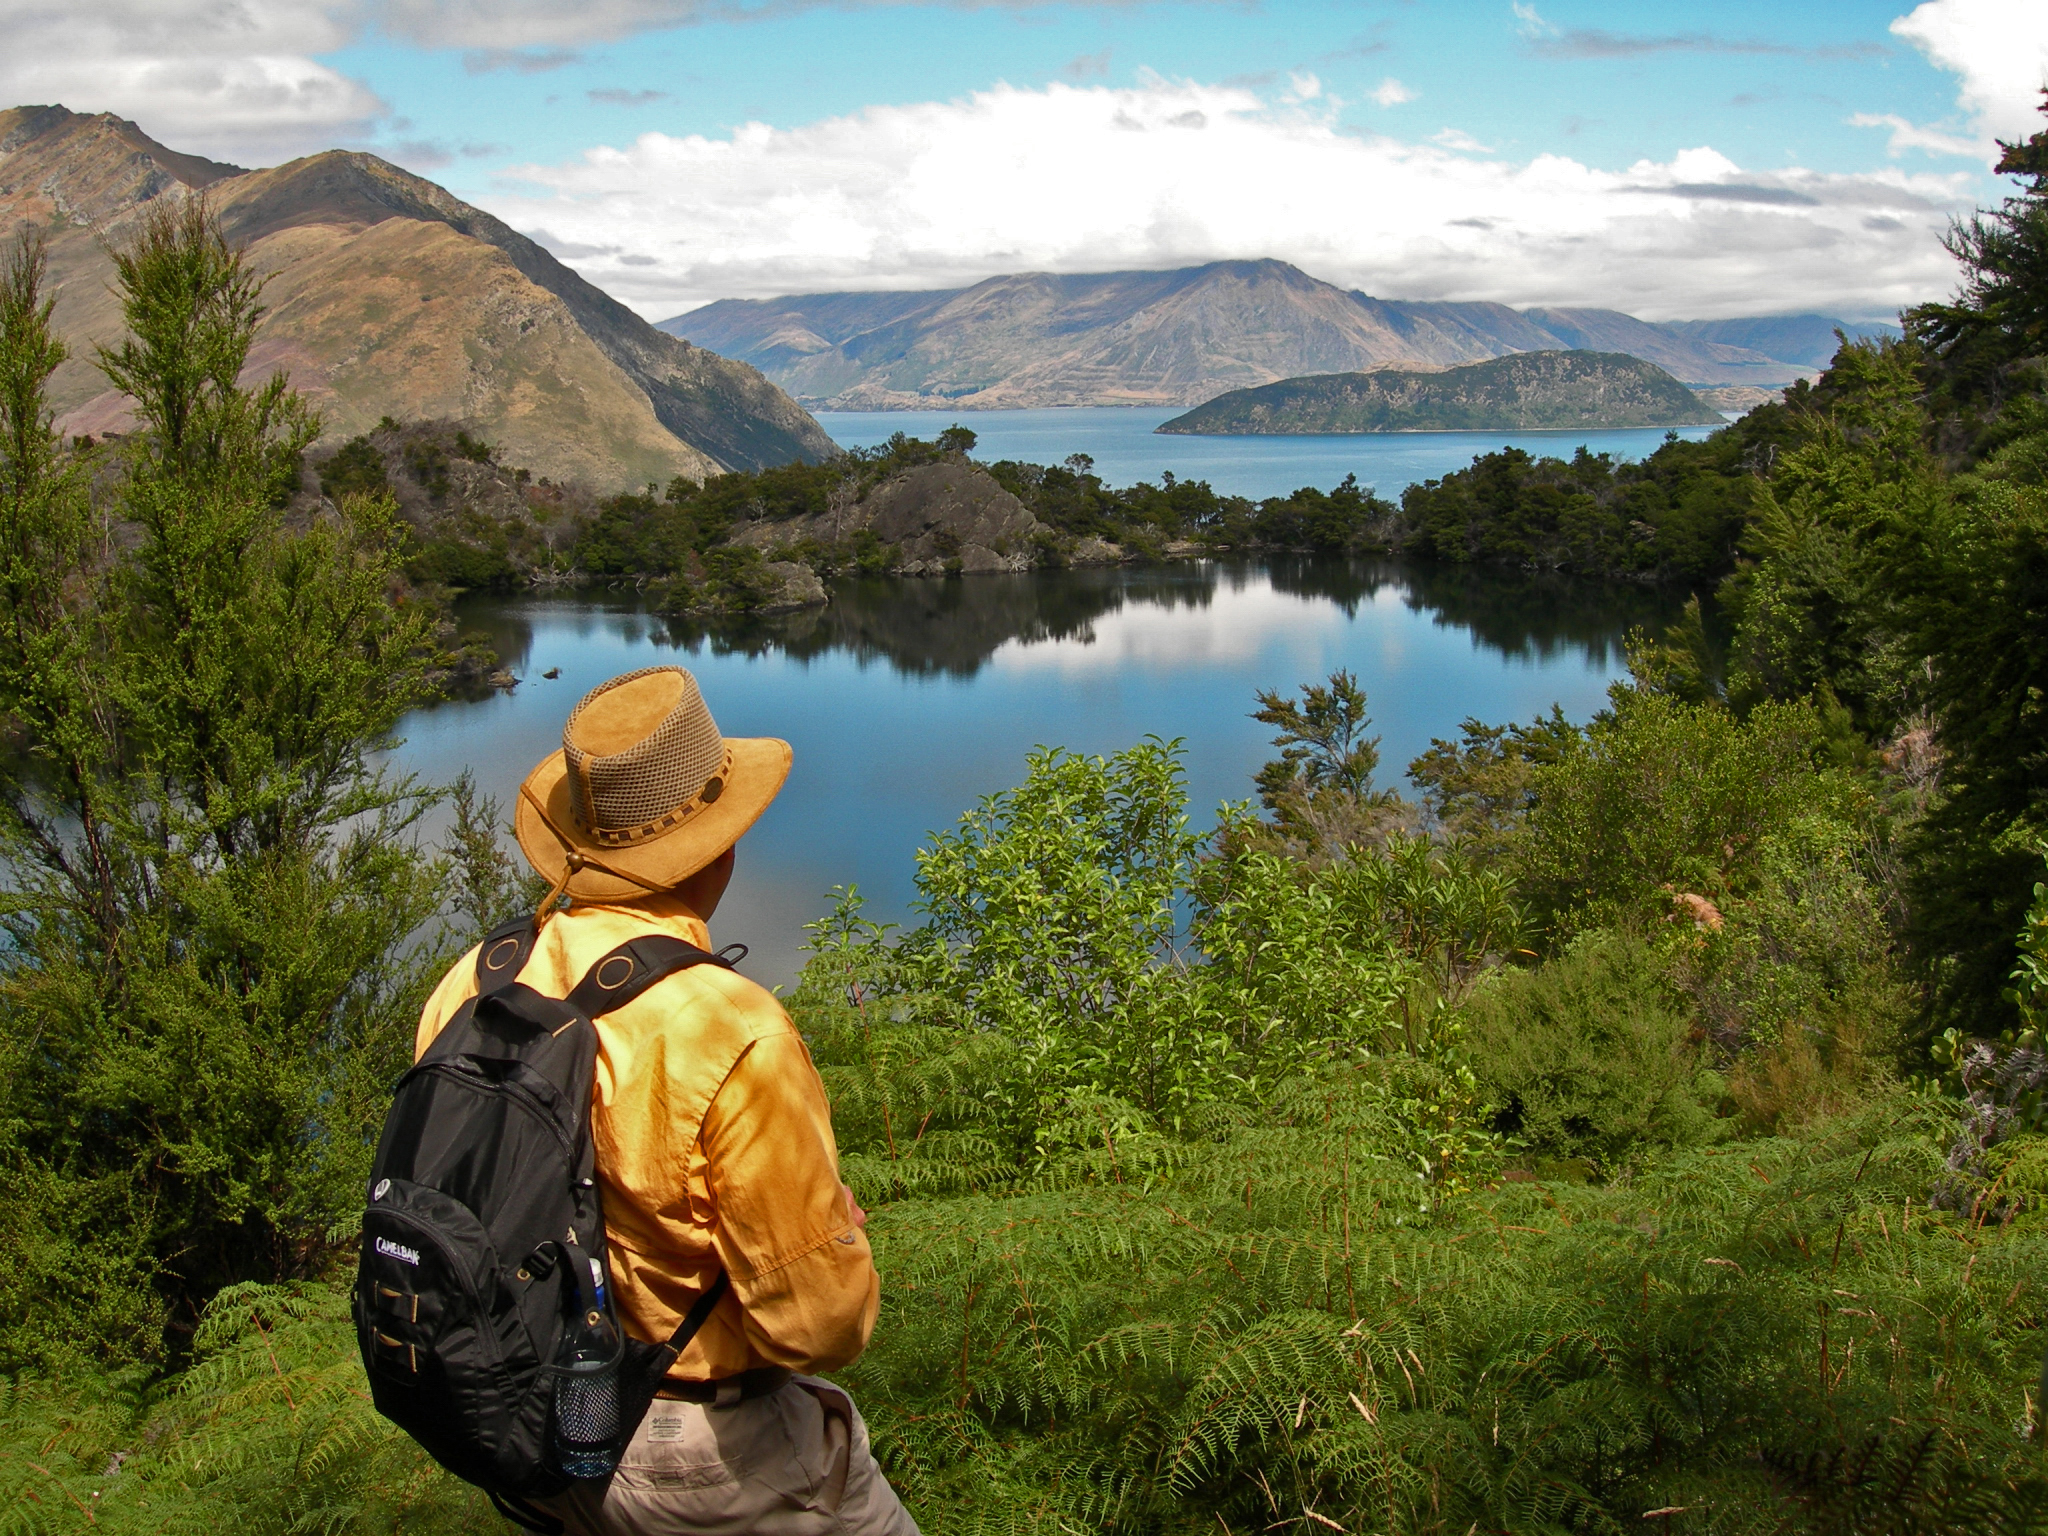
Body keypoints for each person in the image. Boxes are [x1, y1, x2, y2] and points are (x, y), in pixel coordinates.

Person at [414, 665, 920, 1536]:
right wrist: (833, 1238)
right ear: (720, 846)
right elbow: (818, 1326)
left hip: (532, 1423)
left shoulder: (471, 982)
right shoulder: (732, 1030)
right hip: (705, 1461)